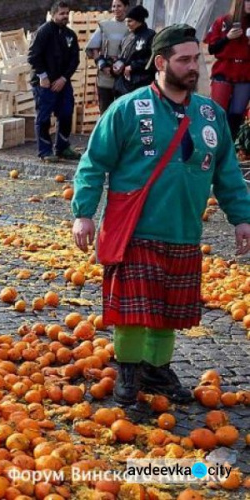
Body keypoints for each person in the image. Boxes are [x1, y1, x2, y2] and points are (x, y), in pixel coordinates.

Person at [71, 24, 250, 406]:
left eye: (196, 58)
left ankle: (156, 370)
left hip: (184, 230)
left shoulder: (210, 113)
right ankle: (129, 372)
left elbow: (227, 172)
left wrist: (242, 217)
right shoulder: (129, 108)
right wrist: (83, 212)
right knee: (134, 312)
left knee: (168, 311)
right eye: (184, 59)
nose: (193, 67)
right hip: (136, 228)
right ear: (160, 62)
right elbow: (94, 161)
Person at [28, 1, 81, 163]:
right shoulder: (43, 32)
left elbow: (75, 60)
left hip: (63, 82)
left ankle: (62, 147)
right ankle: (45, 151)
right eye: (61, 13)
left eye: (67, 13)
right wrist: (43, 76)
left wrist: (64, 78)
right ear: (53, 14)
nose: (65, 16)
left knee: (66, 113)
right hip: (44, 83)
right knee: (44, 117)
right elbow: (33, 56)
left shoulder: (70, 35)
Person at [204, 0, 250, 138]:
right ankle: (214, 144)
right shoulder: (223, 21)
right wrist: (227, 38)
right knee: (217, 112)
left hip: (245, 71)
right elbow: (212, 49)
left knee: (236, 114)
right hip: (224, 69)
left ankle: (229, 148)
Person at [85, 0, 129, 113]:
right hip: (105, 75)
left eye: (119, 6)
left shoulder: (131, 26)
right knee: (105, 111)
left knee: (121, 112)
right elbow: (93, 47)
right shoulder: (104, 25)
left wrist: (122, 66)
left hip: (124, 76)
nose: (115, 9)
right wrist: (101, 64)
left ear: (126, 7)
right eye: (113, 6)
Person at [112, 5, 155, 98]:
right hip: (124, 85)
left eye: (130, 21)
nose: (127, 24)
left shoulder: (150, 36)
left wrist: (133, 66)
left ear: (139, 21)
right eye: (126, 21)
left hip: (141, 85)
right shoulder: (127, 37)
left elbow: (153, 59)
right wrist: (117, 64)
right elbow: (121, 56)